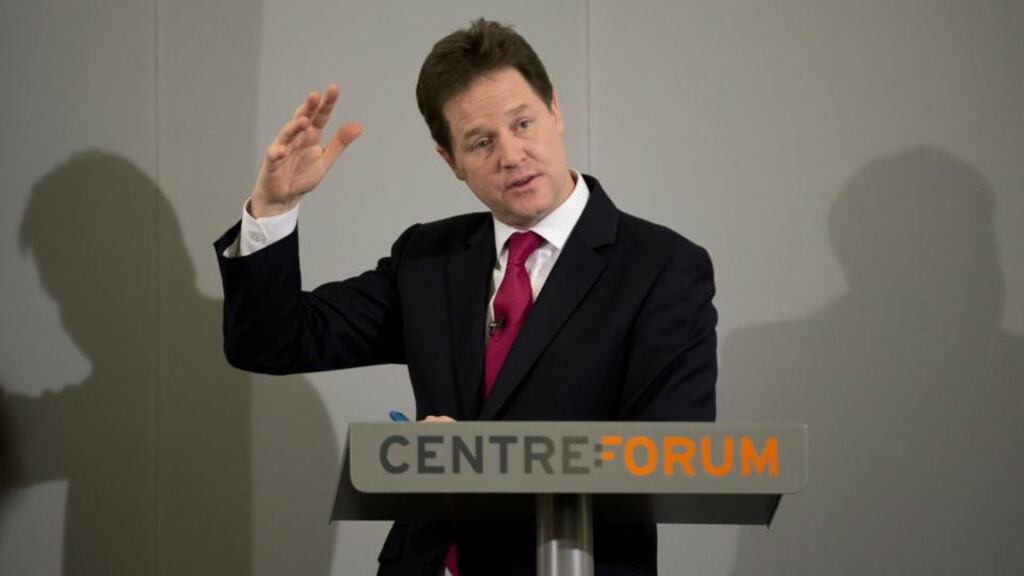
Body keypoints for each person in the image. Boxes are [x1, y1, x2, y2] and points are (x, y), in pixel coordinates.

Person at [214, 18, 717, 575]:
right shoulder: (429, 258)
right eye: (481, 142)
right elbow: (271, 343)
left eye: (523, 123)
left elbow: (673, 457)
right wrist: (273, 209)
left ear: (555, 111)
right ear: (449, 160)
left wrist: (478, 463)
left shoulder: (662, 267)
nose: (511, 154)